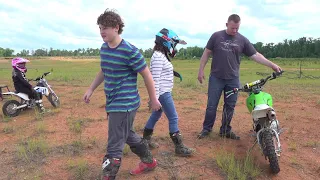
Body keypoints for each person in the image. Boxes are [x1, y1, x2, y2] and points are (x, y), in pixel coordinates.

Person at [82, 9, 162, 180]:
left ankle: (108, 176)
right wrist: (91, 89)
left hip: (125, 104)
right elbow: (104, 70)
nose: (102, 31)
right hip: (112, 102)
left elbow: (146, 74)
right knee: (126, 134)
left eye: (105, 28)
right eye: (100, 28)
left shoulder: (129, 50)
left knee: (114, 145)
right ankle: (149, 161)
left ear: (116, 27)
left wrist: (153, 99)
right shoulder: (104, 48)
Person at [197, 14, 282, 140]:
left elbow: (255, 55)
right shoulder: (216, 36)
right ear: (227, 24)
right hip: (216, 78)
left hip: (233, 79)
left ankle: (225, 130)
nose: (235, 31)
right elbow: (206, 53)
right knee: (211, 105)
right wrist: (201, 70)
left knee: (230, 106)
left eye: (237, 28)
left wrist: (272, 65)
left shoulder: (242, 40)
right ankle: (206, 129)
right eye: (232, 28)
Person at [142, 28, 193, 157]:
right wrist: (154, 98)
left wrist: (173, 73)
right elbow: (155, 78)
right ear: (167, 42)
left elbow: (160, 72)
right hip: (163, 93)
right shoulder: (159, 56)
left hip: (161, 92)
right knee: (173, 117)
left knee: (156, 115)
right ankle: (179, 147)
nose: (175, 47)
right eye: (174, 44)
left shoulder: (161, 55)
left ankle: (146, 140)